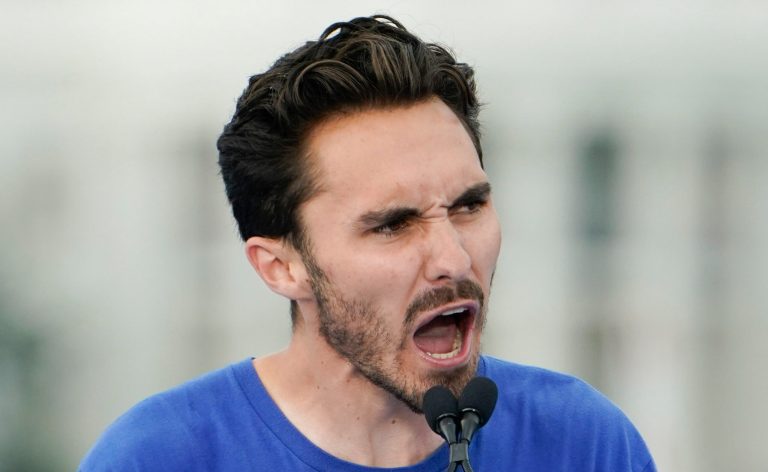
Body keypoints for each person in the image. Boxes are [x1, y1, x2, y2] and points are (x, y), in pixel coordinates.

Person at [80, 15, 656, 471]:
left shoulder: (584, 443)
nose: (455, 259)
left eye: (469, 206)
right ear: (281, 267)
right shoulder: (158, 457)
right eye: (392, 225)